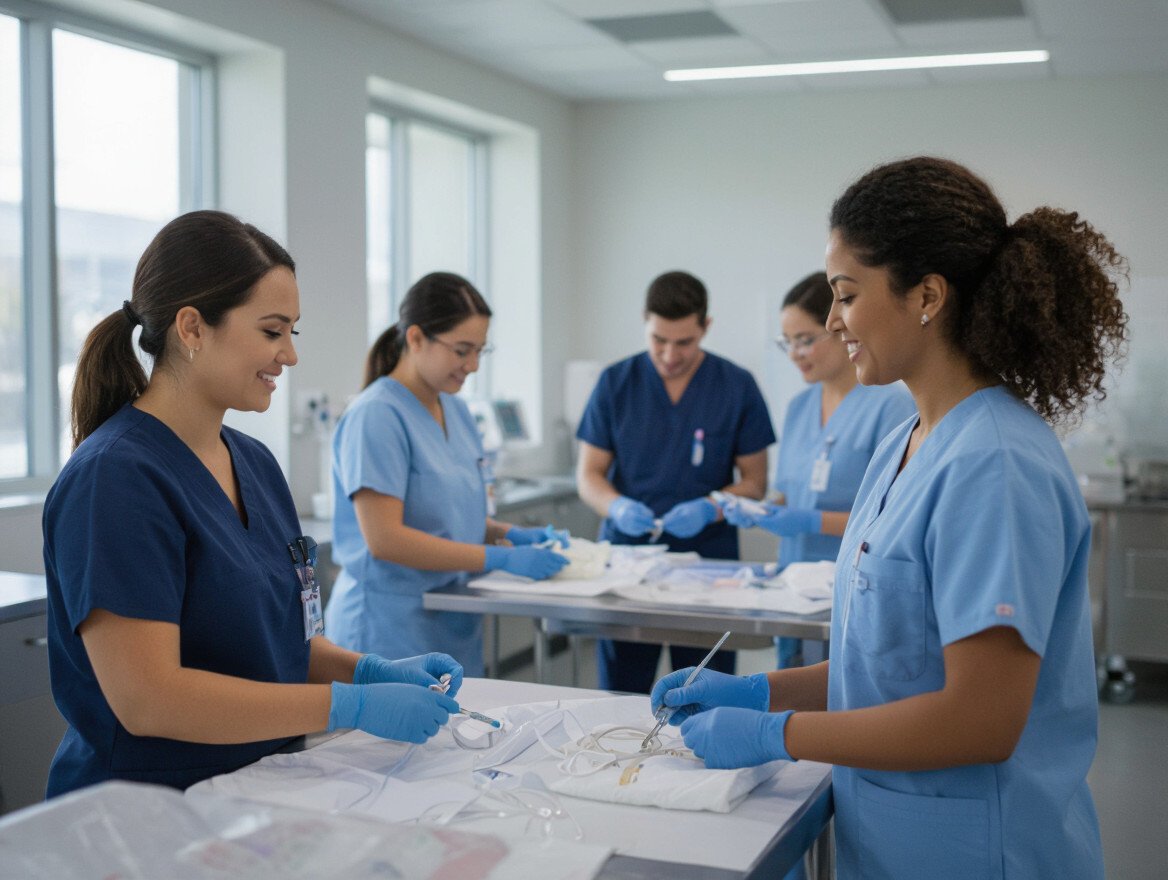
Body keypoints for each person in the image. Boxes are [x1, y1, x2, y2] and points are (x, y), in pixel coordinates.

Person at [651, 157, 1126, 879]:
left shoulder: (992, 463)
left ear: (927, 295)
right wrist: (759, 690)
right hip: (896, 838)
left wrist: (779, 734)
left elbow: (981, 718)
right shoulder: (909, 441)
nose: (834, 320)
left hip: (978, 850)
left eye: (846, 295)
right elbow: (892, 666)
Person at [43, 211, 464, 798]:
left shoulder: (256, 465)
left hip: (261, 789)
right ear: (191, 328)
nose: (289, 356)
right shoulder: (115, 480)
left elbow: (285, 643)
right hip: (147, 813)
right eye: (272, 332)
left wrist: (365, 671)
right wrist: (347, 705)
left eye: (294, 332)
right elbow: (150, 700)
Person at [325, 272, 568, 676]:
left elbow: (449, 517)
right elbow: (385, 539)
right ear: (417, 338)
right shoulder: (377, 416)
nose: (472, 365)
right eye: (461, 350)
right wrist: (499, 557)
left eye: (480, 351)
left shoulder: (455, 410)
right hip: (387, 627)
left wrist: (506, 533)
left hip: (450, 623)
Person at [576, 270, 776, 693]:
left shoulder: (735, 386)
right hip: (628, 564)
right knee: (620, 695)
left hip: (709, 565)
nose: (669, 355)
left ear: (706, 327)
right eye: (658, 340)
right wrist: (616, 506)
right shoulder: (616, 383)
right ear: (645, 323)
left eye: (683, 342)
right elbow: (589, 475)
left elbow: (755, 482)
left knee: (703, 691)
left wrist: (712, 506)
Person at [724, 272, 914, 668]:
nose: (795, 353)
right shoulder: (797, 409)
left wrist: (810, 521)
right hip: (793, 590)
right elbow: (787, 495)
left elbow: (894, 523)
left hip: (853, 593)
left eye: (806, 339)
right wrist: (762, 509)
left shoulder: (891, 407)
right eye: (787, 342)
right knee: (793, 700)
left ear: (839, 328)